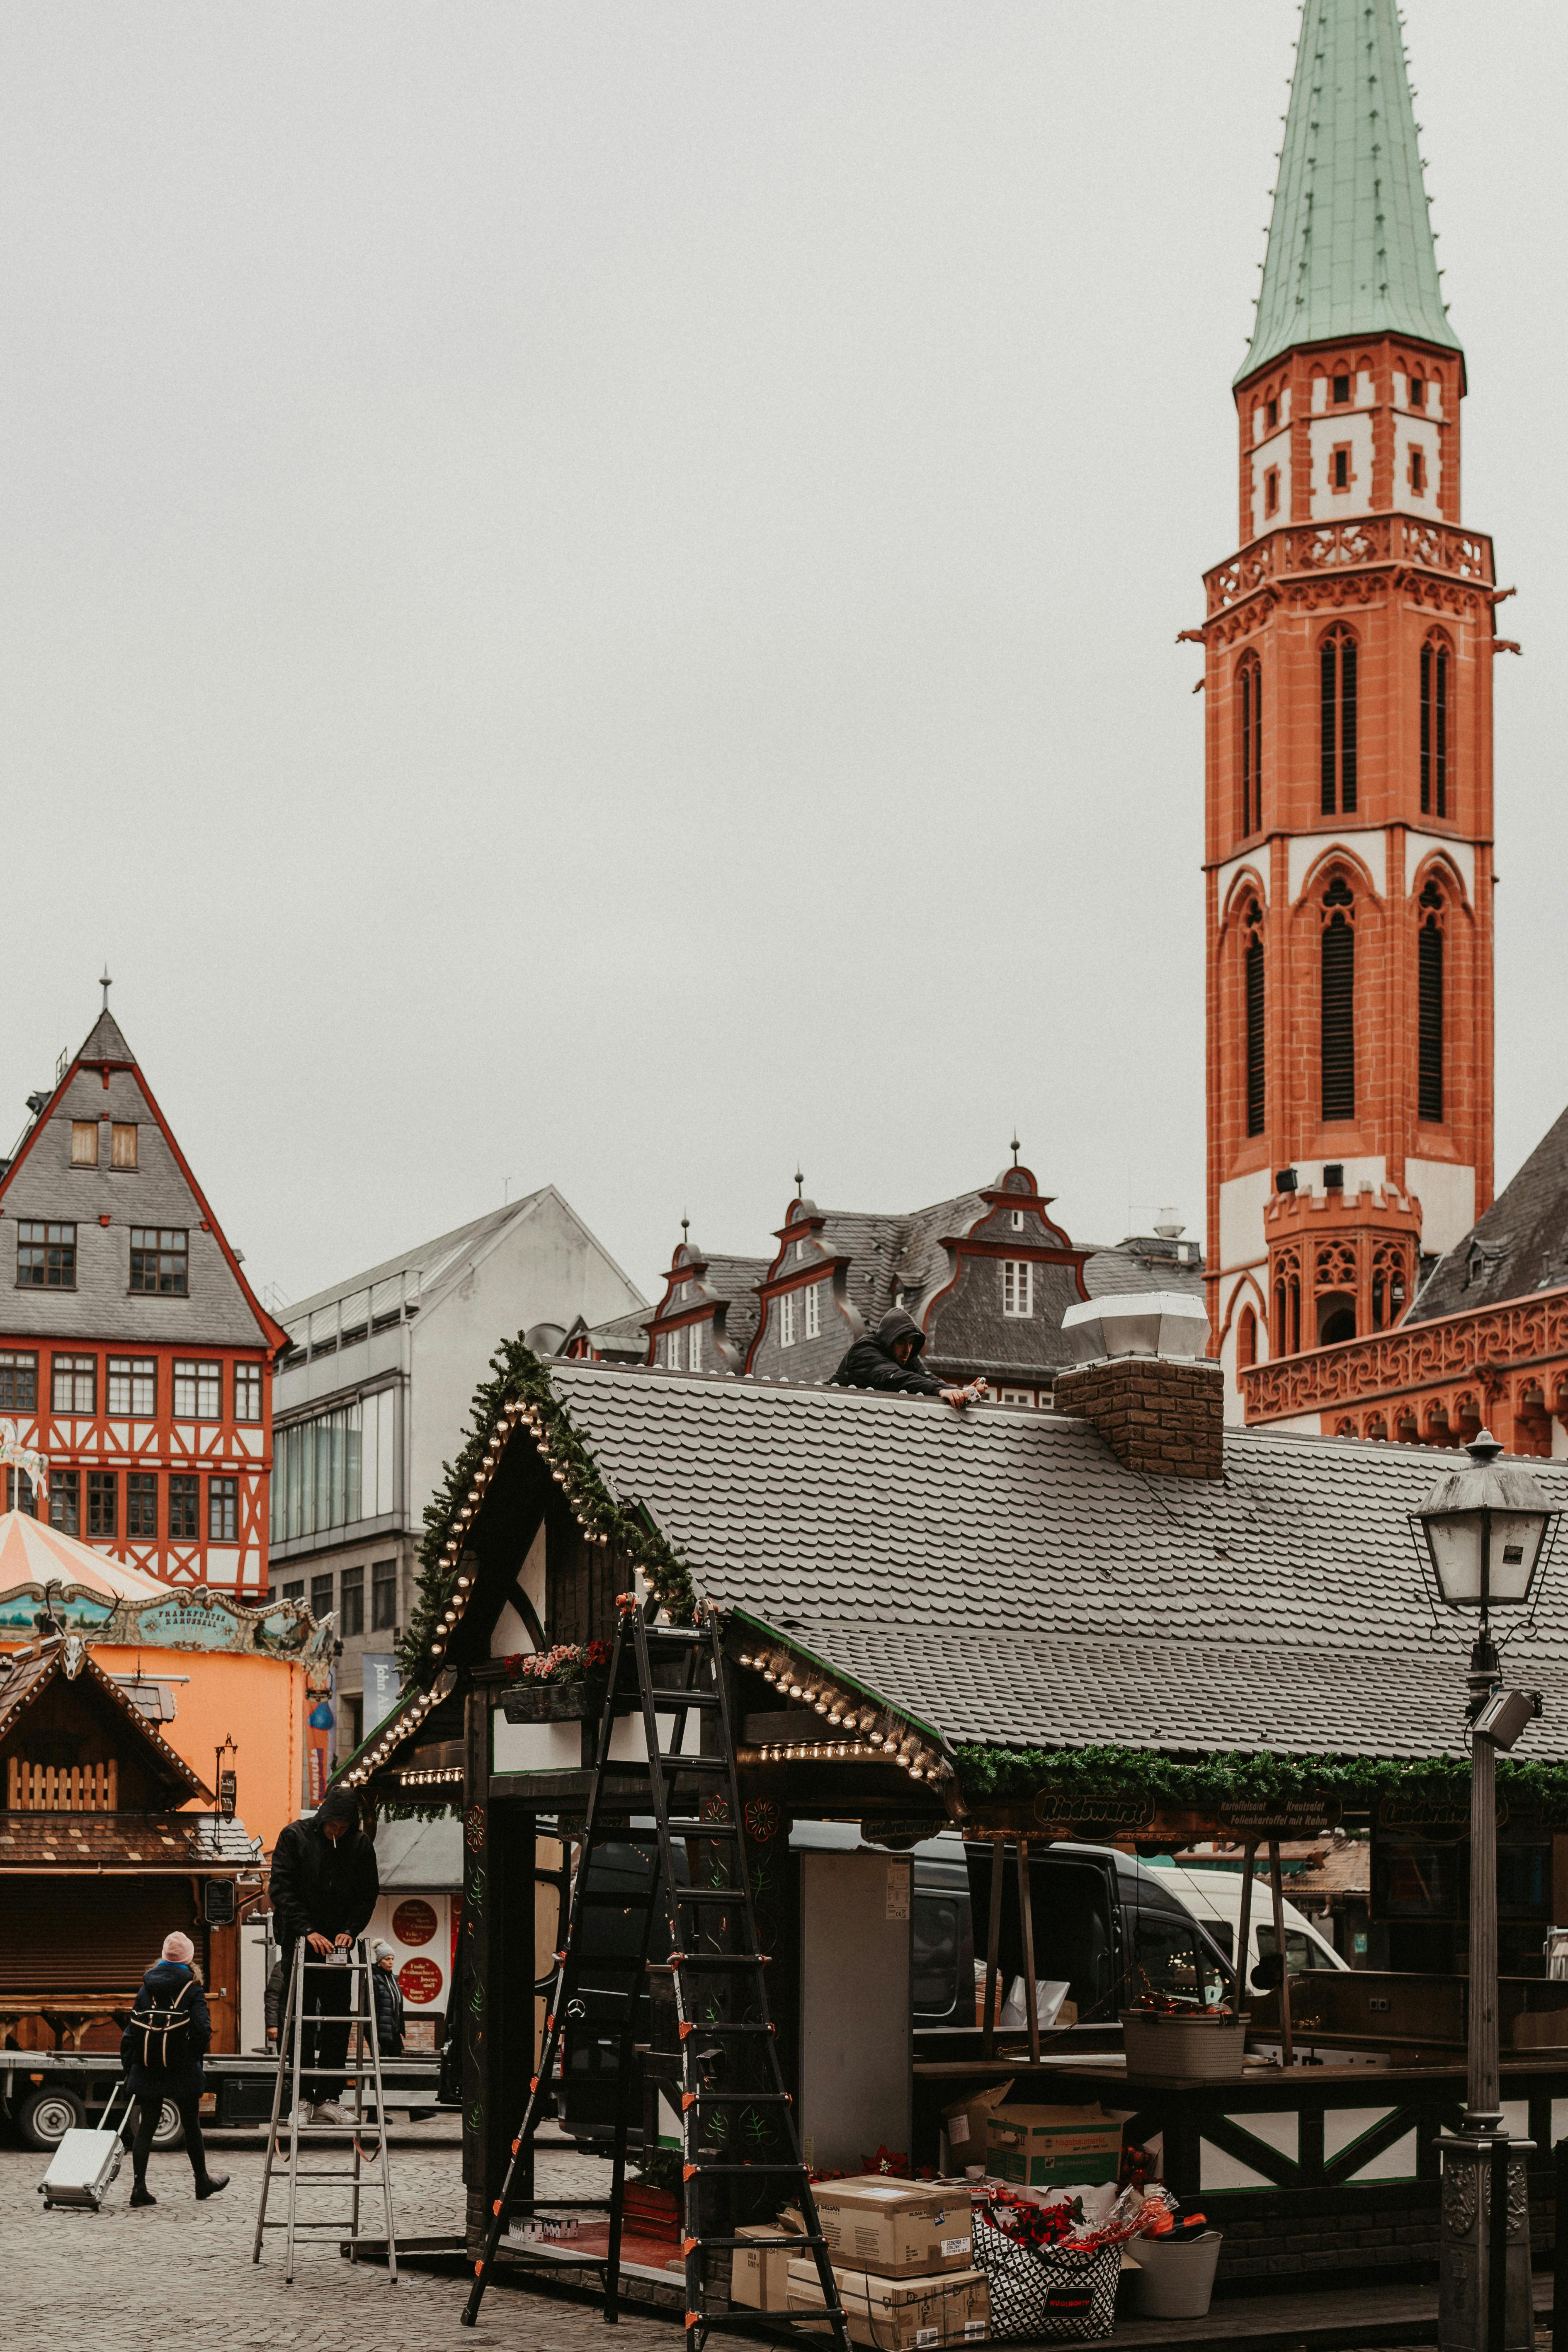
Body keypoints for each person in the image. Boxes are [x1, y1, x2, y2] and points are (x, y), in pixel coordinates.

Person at [267, 1784, 379, 2127]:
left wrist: (351, 1929)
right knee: (298, 2018)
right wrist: (305, 1930)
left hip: (339, 1946)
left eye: (344, 1827)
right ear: (324, 1817)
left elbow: (367, 1893)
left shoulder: (359, 1845)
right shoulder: (294, 1836)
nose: (338, 1832)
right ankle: (300, 2098)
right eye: (334, 1825)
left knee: (337, 2020)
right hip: (301, 1943)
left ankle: (329, 2097)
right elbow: (281, 1888)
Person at [120, 1931, 228, 2207]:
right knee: (192, 2124)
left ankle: (139, 2187)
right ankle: (202, 2181)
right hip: (182, 2068)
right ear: (189, 1959)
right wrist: (192, 2058)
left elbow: (130, 2034)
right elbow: (203, 2029)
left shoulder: (146, 1988)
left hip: (147, 2067)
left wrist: (130, 2068)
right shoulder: (192, 1988)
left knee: (146, 2127)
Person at [830, 1309, 987, 1408]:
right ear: (889, 1340)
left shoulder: (904, 1357)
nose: (908, 1350)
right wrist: (940, 1392)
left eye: (911, 1343)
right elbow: (897, 1377)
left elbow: (928, 1378)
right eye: (902, 1342)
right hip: (831, 1409)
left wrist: (961, 1392)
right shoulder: (864, 1351)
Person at [370, 1940, 405, 2056]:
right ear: (380, 1961)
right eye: (387, 1959)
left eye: (392, 1959)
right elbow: (371, 2009)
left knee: (399, 2064)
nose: (391, 1962)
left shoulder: (394, 1980)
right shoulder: (374, 1980)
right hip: (381, 2034)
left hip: (394, 2031)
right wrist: (371, 2035)